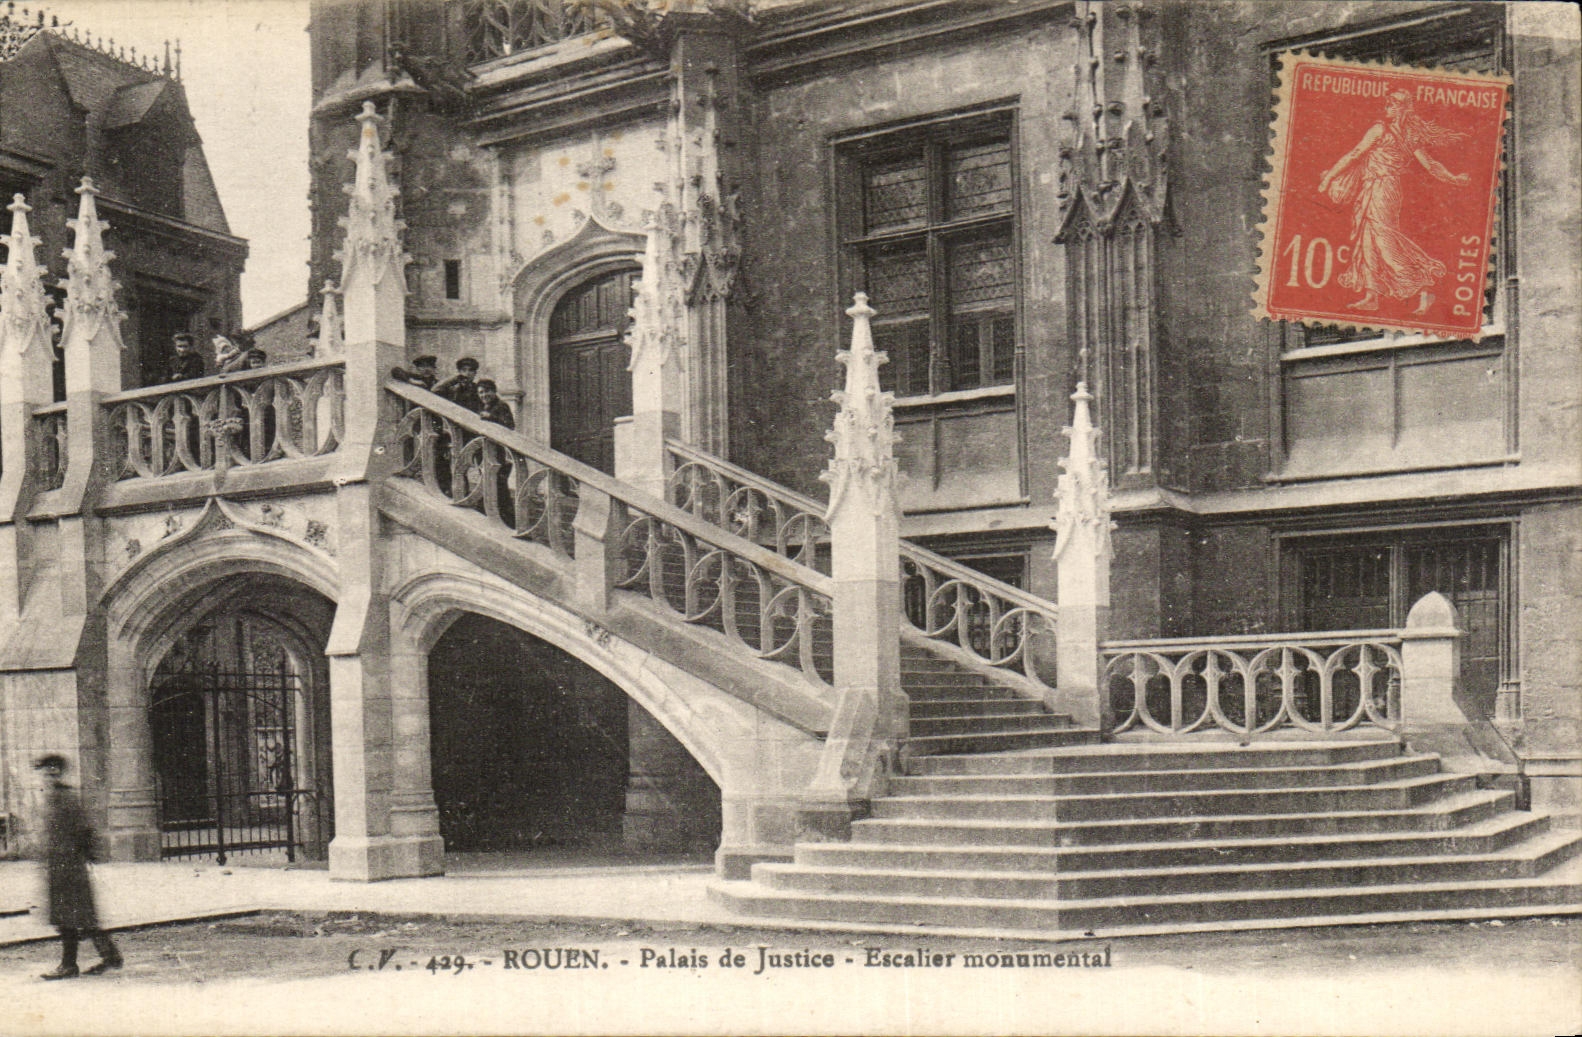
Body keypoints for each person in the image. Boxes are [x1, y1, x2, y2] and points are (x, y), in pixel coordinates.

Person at [1317, 89, 1471, 315]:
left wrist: (1329, 177)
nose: (1386, 109)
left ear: (1401, 109)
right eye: (1386, 105)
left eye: (1391, 105)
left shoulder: (1383, 130)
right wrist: (1454, 179)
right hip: (1376, 188)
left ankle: (1422, 285)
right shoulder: (1408, 136)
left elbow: (1354, 155)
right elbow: (1431, 165)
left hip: (1383, 188)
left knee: (1383, 238)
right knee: (1368, 237)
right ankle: (1372, 295)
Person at [33, 755, 121, 980]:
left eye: (53, 769)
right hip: (59, 867)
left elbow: (85, 830)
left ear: (59, 772)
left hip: (69, 867)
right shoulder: (53, 796)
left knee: (73, 917)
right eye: (45, 770)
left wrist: (88, 856)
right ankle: (109, 956)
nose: (49, 773)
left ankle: (69, 965)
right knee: (78, 917)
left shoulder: (66, 797)